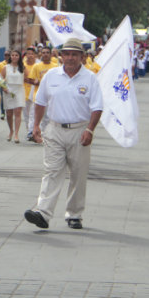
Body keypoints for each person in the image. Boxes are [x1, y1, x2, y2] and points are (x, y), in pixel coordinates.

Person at [24, 38, 103, 231]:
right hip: (55, 129)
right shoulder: (51, 76)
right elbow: (40, 102)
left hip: (79, 130)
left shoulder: (90, 78)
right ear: (60, 56)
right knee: (52, 171)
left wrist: (90, 129)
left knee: (78, 173)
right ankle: (43, 212)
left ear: (82, 57)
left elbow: (97, 107)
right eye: (66, 54)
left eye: (74, 54)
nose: (70, 58)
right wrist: (35, 126)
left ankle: (74, 214)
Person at [26, 47, 58, 142]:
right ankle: (31, 132)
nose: (45, 54)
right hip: (38, 94)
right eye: (43, 53)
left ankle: (45, 134)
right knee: (33, 114)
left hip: (51, 95)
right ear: (41, 54)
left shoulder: (56, 66)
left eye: (47, 52)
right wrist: (36, 82)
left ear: (51, 55)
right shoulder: (37, 66)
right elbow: (30, 79)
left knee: (47, 116)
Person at [0, 49, 25, 143]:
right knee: (9, 114)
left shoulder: (23, 67)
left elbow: (28, 78)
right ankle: (11, 130)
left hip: (19, 90)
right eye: (13, 55)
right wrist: (3, 88)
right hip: (8, 91)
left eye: (16, 55)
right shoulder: (5, 67)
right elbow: (0, 80)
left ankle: (16, 134)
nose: (14, 57)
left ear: (19, 57)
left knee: (18, 112)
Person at [23, 47, 37, 140]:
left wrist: (30, 80)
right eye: (28, 54)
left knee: (32, 112)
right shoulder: (22, 65)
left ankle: (31, 131)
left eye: (32, 54)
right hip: (24, 91)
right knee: (26, 114)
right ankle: (29, 129)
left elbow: (35, 80)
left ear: (34, 55)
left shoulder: (37, 66)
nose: (30, 55)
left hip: (34, 91)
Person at [0, 51, 10, 120]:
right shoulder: (1, 64)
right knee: (3, 99)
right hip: (3, 83)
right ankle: (2, 113)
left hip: (11, 84)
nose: (6, 56)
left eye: (8, 55)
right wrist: (0, 83)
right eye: (5, 55)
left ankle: (9, 112)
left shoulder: (12, 64)